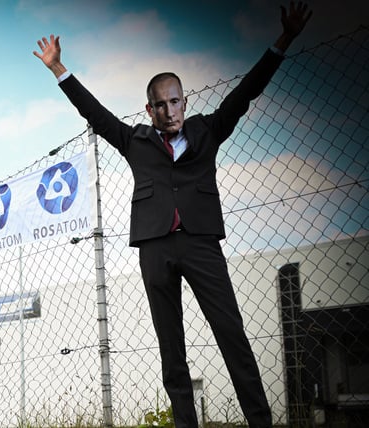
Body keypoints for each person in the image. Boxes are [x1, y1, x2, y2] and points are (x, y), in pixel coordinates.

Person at [32, 2, 311, 427]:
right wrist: (59, 69)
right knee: (171, 348)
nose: (169, 110)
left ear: (185, 101)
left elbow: (246, 93)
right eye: (159, 105)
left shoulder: (207, 130)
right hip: (155, 248)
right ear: (150, 110)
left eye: (175, 101)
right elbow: (95, 112)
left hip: (201, 244)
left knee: (231, 334)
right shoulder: (135, 141)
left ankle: (260, 421)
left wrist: (284, 40)